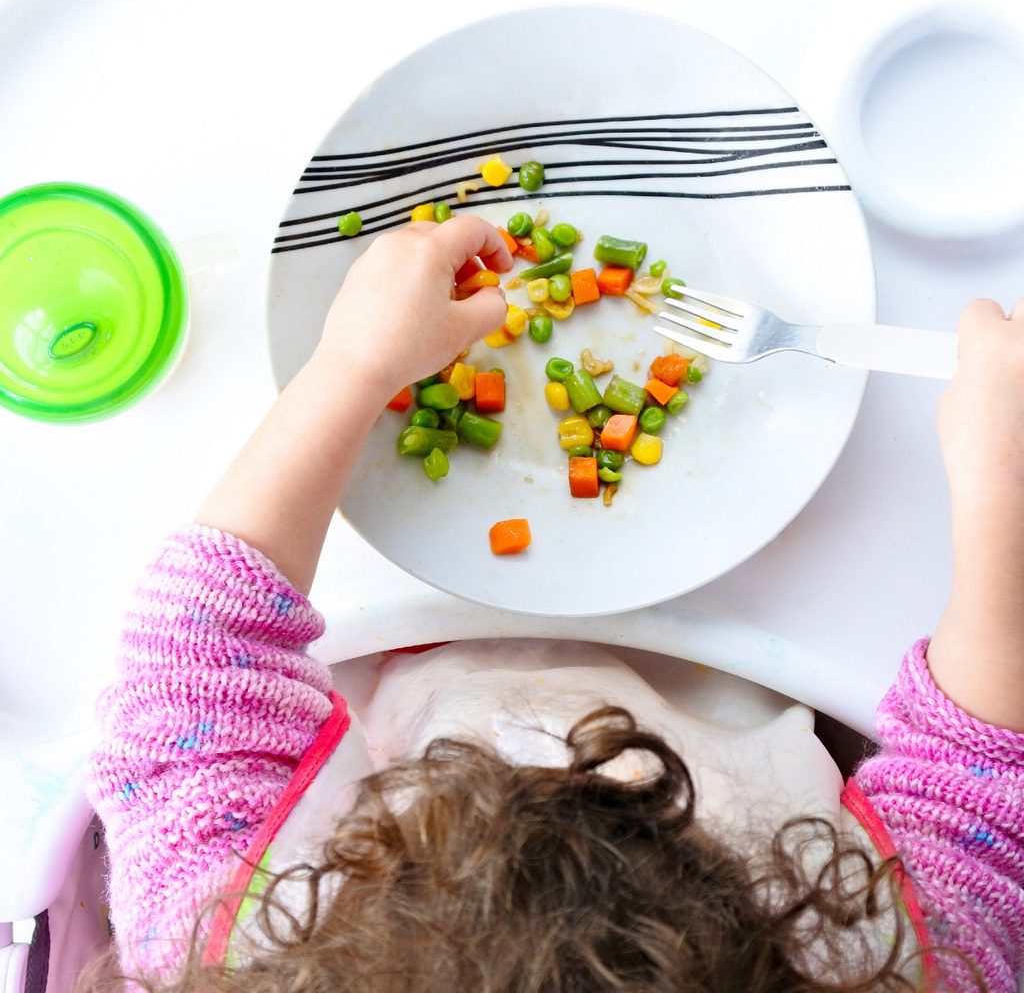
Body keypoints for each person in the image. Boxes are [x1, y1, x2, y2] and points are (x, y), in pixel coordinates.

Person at [84, 216, 1023, 993]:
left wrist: (351, 369)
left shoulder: (221, 943)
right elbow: (985, 786)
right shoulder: (905, 967)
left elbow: (190, 661)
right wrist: (1001, 498)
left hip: (419, 666)